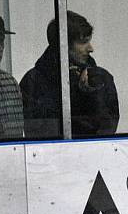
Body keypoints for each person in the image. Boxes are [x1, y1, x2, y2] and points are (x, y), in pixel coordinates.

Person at [20, 10, 119, 139]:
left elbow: (108, 126)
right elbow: (38, 130)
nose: (91, 48)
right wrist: (78, 94)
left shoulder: (102, 78)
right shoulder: (33, 81)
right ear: (62, 45)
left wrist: (92, 95)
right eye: (83, 42)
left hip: (94, 153)